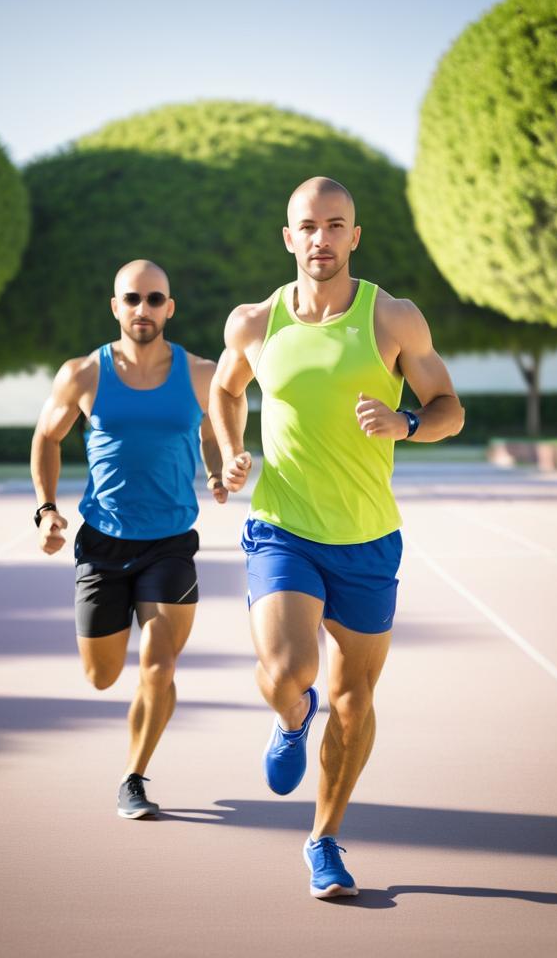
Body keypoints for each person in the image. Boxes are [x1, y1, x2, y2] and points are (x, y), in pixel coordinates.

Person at [209, 177, 465, 898]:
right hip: (284, 527)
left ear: (355, 236)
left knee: (355, 700)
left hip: (369, 538)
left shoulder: (393, 318)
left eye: (335, 225)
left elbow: (449, 408)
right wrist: (227, 452)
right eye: (307, 226)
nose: (321, 238)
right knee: (291, 671)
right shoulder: (254, 324)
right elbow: (226, 391)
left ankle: (324, 840)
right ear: (288, 237)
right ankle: (291, 716)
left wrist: (407, 423)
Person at [31, 259, 226, 819]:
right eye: (133, 299)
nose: (144, 309)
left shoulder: (200, 374)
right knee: (102, 675)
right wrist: (46, 510)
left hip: (169, 542)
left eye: (155, 299)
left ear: (171, 307)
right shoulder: (83, 375)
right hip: (102, 544)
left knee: (159, 667)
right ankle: (131, 750)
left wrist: (216, 470)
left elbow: (214, 431)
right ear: (116, 307)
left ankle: (134, 777)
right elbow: (46, 437)